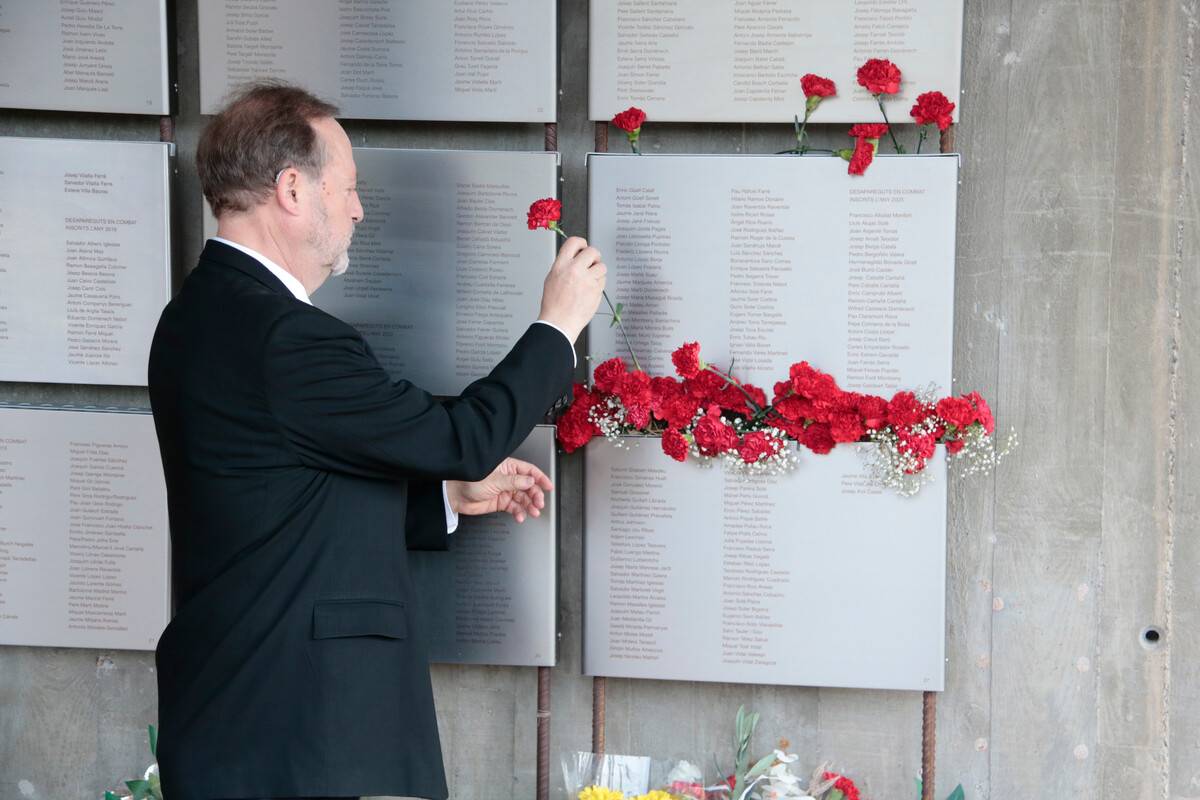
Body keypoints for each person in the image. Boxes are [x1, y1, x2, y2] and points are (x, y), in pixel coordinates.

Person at [147, 82, 605, 800]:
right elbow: (462, 435)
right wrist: (558, 328)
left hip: (240, 724)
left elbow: (276, 496)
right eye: (349, 188)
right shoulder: (286, 338)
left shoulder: (196, 315)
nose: (358, 209)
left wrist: (444, 495)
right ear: (293, 189)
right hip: (289, 735)